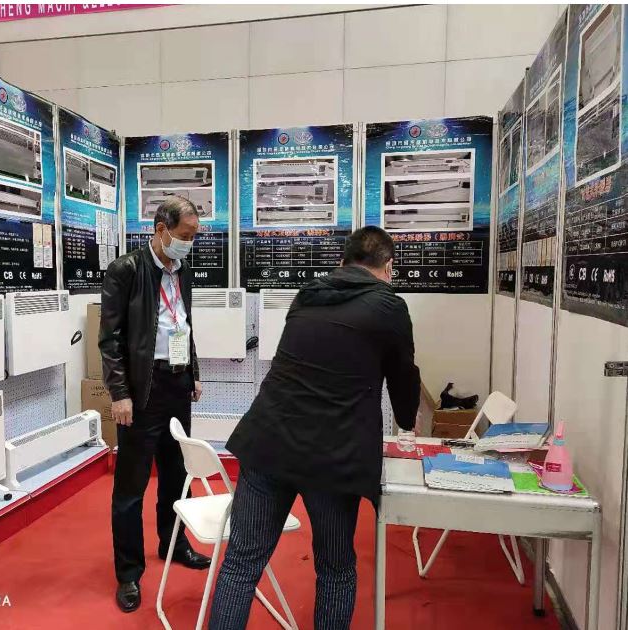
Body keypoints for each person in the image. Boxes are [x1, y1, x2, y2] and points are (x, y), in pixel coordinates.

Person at [208, 226, 421, 630]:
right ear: (388, 266)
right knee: (335, 569)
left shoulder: (308, 294)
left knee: (241, 563)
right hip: (333, 456)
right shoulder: (388, 306)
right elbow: (403, 378)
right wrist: (407, 428)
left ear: (342, 261)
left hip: (269, 440)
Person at [100, 195, 211, 614]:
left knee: (176, 473)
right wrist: (119, 393)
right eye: (185, 235)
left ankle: (174, 544)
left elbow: (183, 323)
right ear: (161, 230)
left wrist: (193, 370)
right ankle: (128, 573)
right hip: (141, 388)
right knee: (131, 485)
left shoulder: (182, 270)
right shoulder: (125, 270)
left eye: (194, 237)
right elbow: (110, 339)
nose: (189, 243)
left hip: (177, 383)